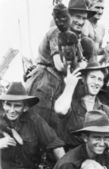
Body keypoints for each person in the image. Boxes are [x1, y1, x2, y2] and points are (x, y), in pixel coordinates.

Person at [26, 0, 96, 129]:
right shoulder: (57, 32)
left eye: (84, 18)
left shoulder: (78, 38)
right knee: (40, 125)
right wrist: (81, 66)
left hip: (61, 83)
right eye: (77, 17)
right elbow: (59, 65)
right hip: (44, 82)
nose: (80, 22)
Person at [0, 82, 65, 169]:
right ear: (3, 105)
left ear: (25, 107)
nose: (11, 110)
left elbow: (55, 144)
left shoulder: (34, 120)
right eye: (8, 105)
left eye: (17, 106)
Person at [54, 61, 109, 150]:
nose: (96, 82)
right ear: (84, 79)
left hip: (96, 155)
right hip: (72, 157)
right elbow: (60, 110)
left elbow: (106, 140)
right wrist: (70, 85)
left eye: (100, 79)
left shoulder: (105, 110)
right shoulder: (71, 105)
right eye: (93, 77)